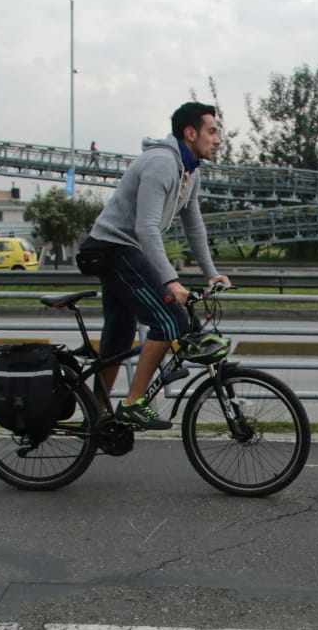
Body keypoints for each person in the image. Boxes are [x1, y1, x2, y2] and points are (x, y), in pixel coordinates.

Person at [82, 102, 231, 430]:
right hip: (114, 248)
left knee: (118, 338)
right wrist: (170, 281)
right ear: (190, 133)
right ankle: (133, 403)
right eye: (212, 131)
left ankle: (97, 414)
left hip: (125, 249)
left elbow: (194, 226)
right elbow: (145, 228)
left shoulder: (190, 171)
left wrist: (210, 272)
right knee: (169, 321)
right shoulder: (162, 163)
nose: (218, 138)